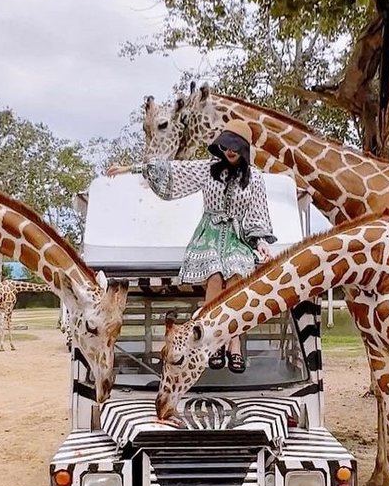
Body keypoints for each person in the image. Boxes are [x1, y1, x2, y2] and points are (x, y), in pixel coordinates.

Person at [106, 120, 276, 373]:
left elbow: (257, 214)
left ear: (244, 150)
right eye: (227, 145)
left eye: (236, 147)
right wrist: (128, 169)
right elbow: (173, 170)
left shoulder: (256, 180)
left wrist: (260, 242)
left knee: (238, 275)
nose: (230, 151)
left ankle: (234, 342)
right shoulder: (207, 170)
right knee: (216, 276)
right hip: (209, 235)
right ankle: (215, 340)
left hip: (238, 237)